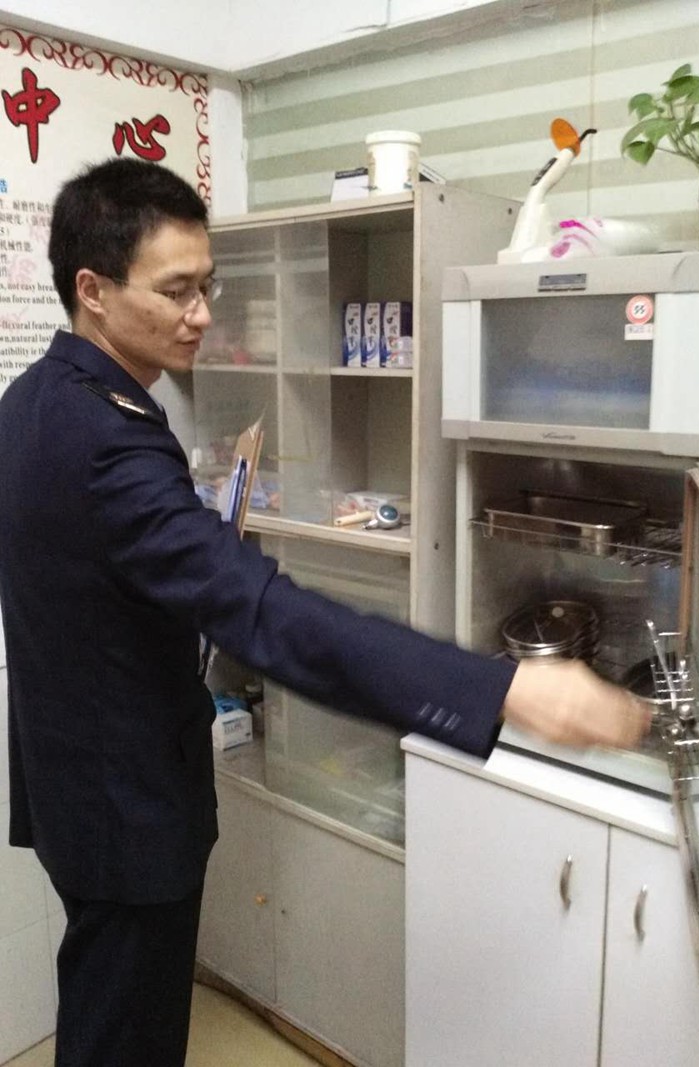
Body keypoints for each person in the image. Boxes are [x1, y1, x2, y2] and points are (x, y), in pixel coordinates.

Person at [0, 158, 649, 1067]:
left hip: (74, 789)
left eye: (208, 286)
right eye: (176, 291)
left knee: (105, 1007)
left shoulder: (32, 401)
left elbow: (82, 586)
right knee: (125, 1038)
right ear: (93, 291)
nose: (202, 314)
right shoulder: (108, 439)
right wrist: (500, 688)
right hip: (127, 808)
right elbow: (269, 617)